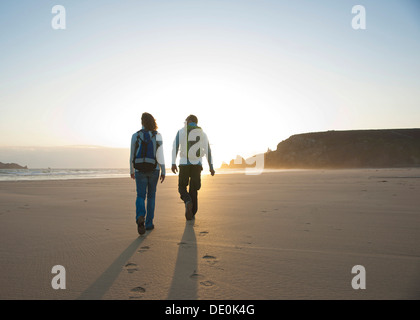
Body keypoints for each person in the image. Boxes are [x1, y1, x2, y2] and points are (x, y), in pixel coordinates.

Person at [171, 114, 215, 220]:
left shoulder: (181, 131)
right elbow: (208, 151)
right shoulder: (203, 134)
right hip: (197, 165)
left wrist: (173, 163)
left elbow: (175, 147)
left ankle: (187, 201)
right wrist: (211, 166)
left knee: (182, 187)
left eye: (186, 120)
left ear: (190, 120)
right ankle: (193, 213)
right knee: (194, 188)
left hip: (184, 163)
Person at [130, 112, 165, 235]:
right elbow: (160, 155)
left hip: (139, 170)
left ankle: (140, 216)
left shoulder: (136, 135)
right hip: (154, 169)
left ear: (142, 122)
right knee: (151, 196)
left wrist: (131, 170)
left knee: (140, 195)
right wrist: (164, 171)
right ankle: (149, 224)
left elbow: (132, 154)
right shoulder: (157, 135)